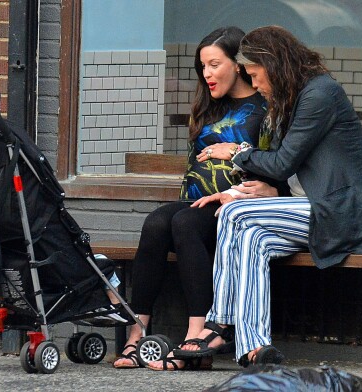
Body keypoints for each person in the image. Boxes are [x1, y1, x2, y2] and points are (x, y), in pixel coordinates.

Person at [173, 25, 362, 367]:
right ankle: (255, 347)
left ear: (273, 65)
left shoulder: (319, 95)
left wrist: (237, 153)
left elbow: (283, 163)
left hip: (338, 214)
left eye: (255, 75)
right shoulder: (294, 97)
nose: (254, 84)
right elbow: (286, 170)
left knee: (233, 214)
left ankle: (220, 321)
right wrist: (249, 188)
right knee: (253, 238)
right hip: (309, 208)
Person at [112, 26, 268, 371]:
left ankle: (196, 336)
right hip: (196, 203)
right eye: (203, 67)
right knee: (155, 223)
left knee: (183, 223)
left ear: (238, 65)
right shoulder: (207, 106)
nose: (207, 74)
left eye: (214, 65)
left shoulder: (263, 108)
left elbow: (272, 166)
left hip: (237, 207)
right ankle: (136, 334)